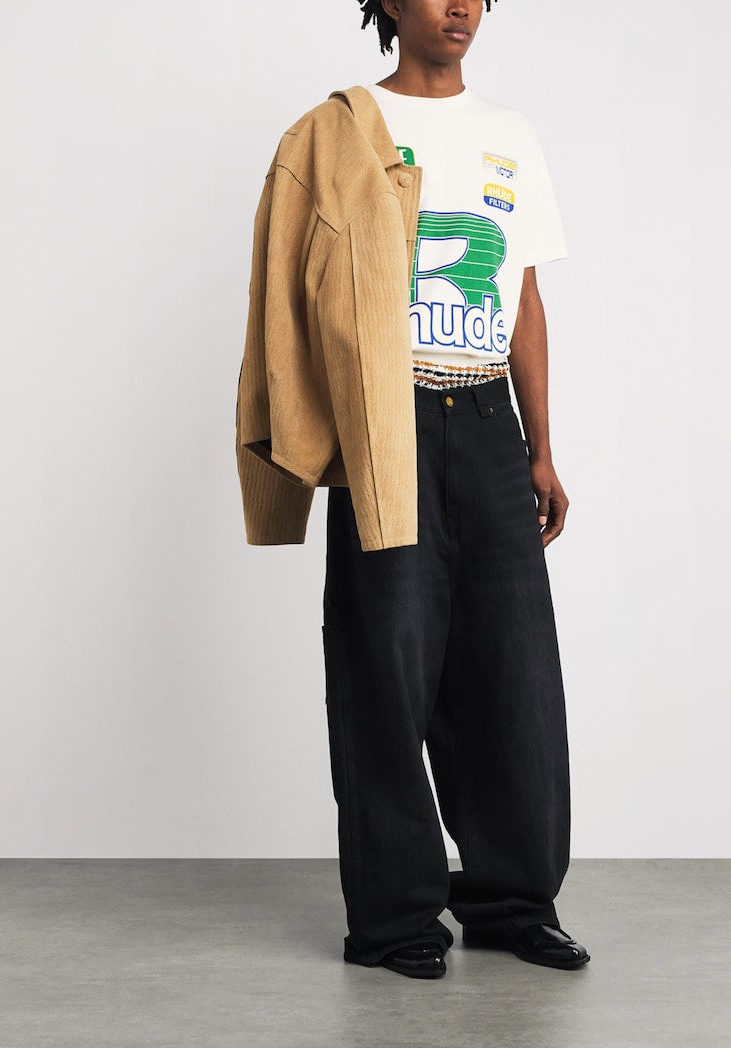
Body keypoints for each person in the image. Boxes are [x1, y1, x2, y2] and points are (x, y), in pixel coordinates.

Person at [236, 0, 589, 980]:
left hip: (486, 421)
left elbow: (523, 296)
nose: (460, 6)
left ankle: (514, 901)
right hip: (384, 423)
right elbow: (295, 286)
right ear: (388, 1)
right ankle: (394, 921)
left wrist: (541, 447)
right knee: (384, 669)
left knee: (512, 668)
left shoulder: (509, 135)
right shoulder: (343, 130)